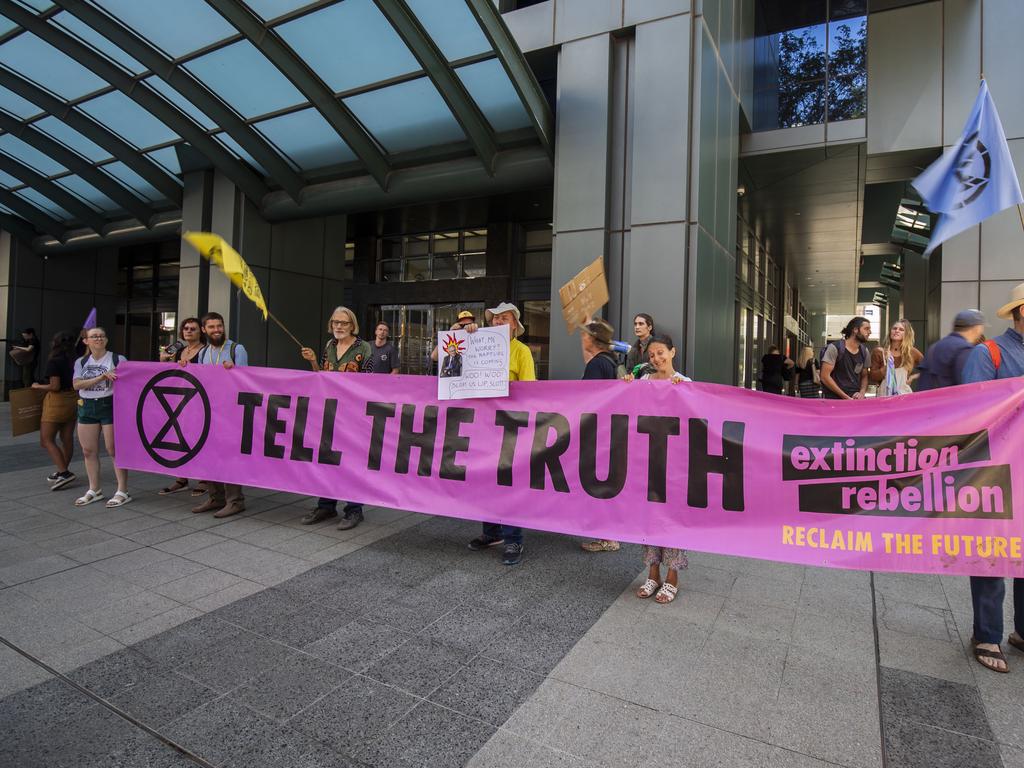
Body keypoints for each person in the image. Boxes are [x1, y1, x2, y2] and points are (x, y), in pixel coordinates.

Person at [959, 286, 1024, 673]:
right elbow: (972, 412)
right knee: (993, 552)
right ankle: (987, 633)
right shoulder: (990, 353)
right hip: (997, 473)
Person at [467, 302, 536, 566]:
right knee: (485, 479)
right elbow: (441, 357)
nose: (498, 322)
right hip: (482, 425)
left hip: (509, 425)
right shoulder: (477, 344)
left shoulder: (521, 351)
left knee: (508, 482)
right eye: (494, 318)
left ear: (514, 327)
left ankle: (513, 538)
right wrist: (463, 334)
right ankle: (491, 532)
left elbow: (530, 391)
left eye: (504, 318)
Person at [629, 334, 690, 603]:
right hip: (647, 461)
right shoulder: (643, 382)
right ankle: (652, 574)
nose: (656, 358)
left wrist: (683, 393)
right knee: (649, 518)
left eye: (661, 353)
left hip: (675, 465)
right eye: (652, 355)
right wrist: (625, 388)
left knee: (672, 519)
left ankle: (672, 578)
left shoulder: (687, 384)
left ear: (673, 352)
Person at [299, 306, 372, 530]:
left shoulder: (364, 347)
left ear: (353, 325)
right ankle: (326, 505)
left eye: (344, 323)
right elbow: (322, 376)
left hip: (353, 413)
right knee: (326, 458)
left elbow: (371, 381)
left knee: (351, 461)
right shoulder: (329, 345)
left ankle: (354, 509)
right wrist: (312, 361)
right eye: (335, 323)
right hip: (329, 411)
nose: (339, 326)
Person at [190, 312, 247, 518]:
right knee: (208, 454)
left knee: (229, 455)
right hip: (208, 410)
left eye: (219, 326)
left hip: (231, 412)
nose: (217, 330)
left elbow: (247, 381)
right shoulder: (204, 352)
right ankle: (216, 497)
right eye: (212, 327)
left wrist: (235, 371)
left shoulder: (236, 349)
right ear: (204, 330)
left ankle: (235, 500)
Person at [72, 327, 129, 508]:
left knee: (113, 449)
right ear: (86, 341)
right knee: (88, 450)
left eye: (102, 336)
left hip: (109, 404)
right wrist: (101, 377)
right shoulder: (81, 361)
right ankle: (94, 489)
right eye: (94, 336)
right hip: (87, 406)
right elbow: (77, 384)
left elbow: (129, 382)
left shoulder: (117, 359)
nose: (99, 339)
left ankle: (122, 490)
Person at [578, 319, 622, 553]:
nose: (582, 338)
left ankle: (606, 537)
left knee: (597, 483)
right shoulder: (609, 361)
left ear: (593, 339)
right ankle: (610, 534)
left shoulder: (596, 365)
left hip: (598, 431)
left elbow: (587, 398)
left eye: (585, 335)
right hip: (610, 430)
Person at [158, 317, 206, 496]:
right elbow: (170, 374)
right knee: (178, 438)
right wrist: (164, 360)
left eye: (193, 328)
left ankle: (203, 479)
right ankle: (181, 478)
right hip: (178, 400)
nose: (189, 331)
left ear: (201, 331)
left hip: (197, 400)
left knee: (198, 439)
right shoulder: (179, 350)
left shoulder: (204, 351)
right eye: (185, 328)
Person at [32, 331, 78, 490]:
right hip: (73, 399)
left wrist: (37, 386)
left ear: (55, 344)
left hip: (57, 402)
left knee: (46, 440)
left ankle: (64, 472)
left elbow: (54, 386)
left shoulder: (54, 361)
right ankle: (62, 471)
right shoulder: (75, 361)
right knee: (67, 438)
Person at [918, 309, 985, 390]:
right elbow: (968, 386)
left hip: (927, 401)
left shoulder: (934, 346)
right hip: (949, 401)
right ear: (977, 328)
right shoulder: (964, 349)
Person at [820, 317, 871, 400]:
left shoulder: (864, 351)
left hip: (854, 400)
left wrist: (861, 393)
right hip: (834, 400)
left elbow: (864, 376)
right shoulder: (835, 348)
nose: (869, 332)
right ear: (855, 330)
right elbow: (824, 376)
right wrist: (845, 397)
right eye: (866, 329)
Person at [869, 318, 923, 396]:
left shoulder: (911, 352)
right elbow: (872, 377)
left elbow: (928, 367)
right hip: (884, 396)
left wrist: (912, 377)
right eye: (894, 328)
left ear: (906, 334)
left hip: (904, 397)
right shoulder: (879, 352)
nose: (896, 331)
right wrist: (883, 370)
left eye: (901, 329)